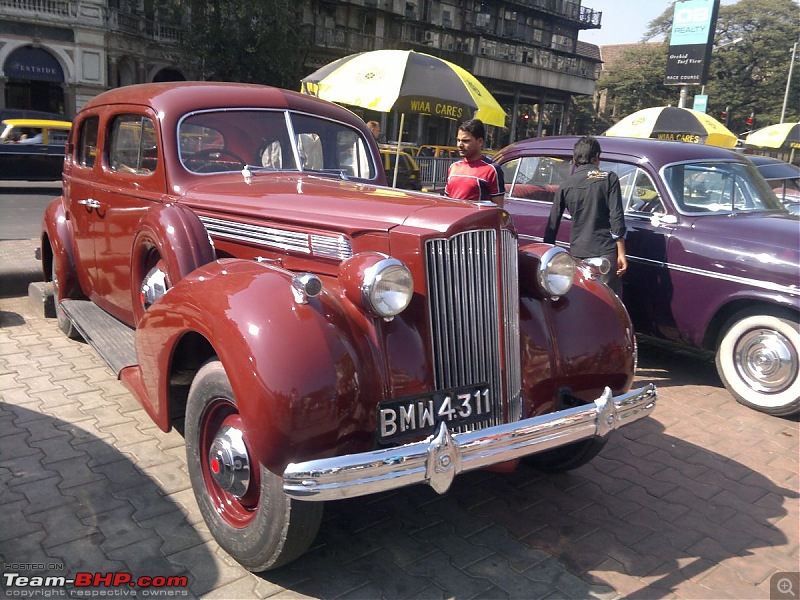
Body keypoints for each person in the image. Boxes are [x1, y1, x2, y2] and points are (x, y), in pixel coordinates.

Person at [543, 135, 627, 294]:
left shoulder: (565, 185)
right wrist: (621, 253)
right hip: (605, 254)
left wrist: (549, 256)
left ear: (574, 160)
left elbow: (552, 225)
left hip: (577, 254)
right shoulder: (609, 178)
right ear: (597, 157)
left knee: (583, 299)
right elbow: (617, 218)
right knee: (608, 303)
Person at [443, 118, 505, 204]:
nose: (460, 145)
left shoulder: (492, 170)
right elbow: (446, 200)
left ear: (479, 142)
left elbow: (498, 209)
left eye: (465, 141)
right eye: (458, 140)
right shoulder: (453, 167)